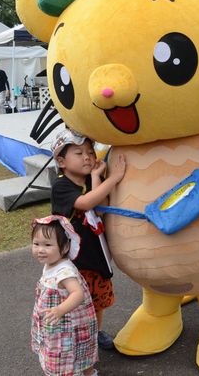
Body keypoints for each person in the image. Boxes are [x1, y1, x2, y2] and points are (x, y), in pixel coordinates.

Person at [50, 128, 126, 350]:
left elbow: (102, 209)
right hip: (75, 263)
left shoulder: (91, 181)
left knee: (97, 302)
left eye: (90, 152)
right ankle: (76, 340)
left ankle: (94, 335)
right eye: (79, 153)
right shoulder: (61, 186)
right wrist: (114, 178)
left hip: (96, 257)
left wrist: (96, 177)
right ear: (61, 161)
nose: (87, 157)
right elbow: (84, 204)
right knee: (77, 303)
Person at [30, 215, 98, 376]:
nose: (40, 249)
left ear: (65, 247)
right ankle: (88, 372)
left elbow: (77, 293)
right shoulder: (51, 264)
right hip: (56, 321)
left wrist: (60, 310)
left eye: (47, 245)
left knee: (70, 352)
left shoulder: (64, 271)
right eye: (36, 244)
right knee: (80, 351)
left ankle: (87, 373)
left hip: (67, 323)